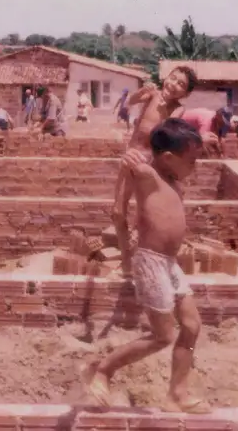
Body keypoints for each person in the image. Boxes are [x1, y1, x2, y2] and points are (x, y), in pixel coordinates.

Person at [85, 117, 210, 414]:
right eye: (192, 160)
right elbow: (132, 164)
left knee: (192, 325)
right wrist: (127, 158)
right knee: (163, 335)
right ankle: (102, 370)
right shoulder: (147, 175)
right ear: (168, 158)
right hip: (151, 262)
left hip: (170, 264)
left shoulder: (173, 181)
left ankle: (177, 394)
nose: (196, 166)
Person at [126, 66, 197, 151]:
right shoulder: (153, 94)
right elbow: (132, 101)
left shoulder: (178, 108)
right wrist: (142, 91)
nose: (174, 84)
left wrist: (163, 111)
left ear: (186, 94)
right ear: (166, 78)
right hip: (134, 145)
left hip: (151, 151)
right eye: (173, 78)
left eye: (180, 84)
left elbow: (169, 129)